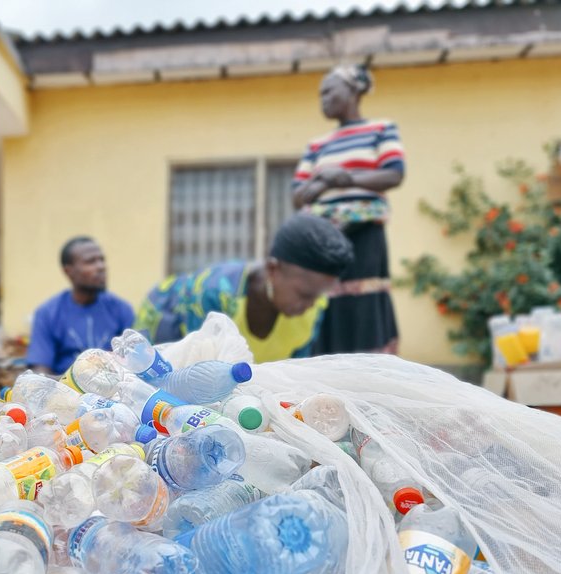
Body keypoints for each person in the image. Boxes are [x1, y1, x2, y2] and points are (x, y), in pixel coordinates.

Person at [291, 64, 405, 355]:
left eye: (329, 91)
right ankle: (329, 369)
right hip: (323, 238)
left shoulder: (381, 130)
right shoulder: (317, 145)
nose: (323, 100)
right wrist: (321, 183)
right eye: (320, 95)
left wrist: (346, 178)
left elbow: (394, 174)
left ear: (353, 90)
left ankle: (370, 370)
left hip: (364, 234)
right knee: (325, 300)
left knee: (364, 298)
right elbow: (297, 196)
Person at [133, 213, 354, 362]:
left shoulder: (314, 307)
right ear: (273, 269)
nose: (311, 305)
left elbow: (292, 375)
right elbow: (197, 373)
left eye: (318, 296)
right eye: (304, 295)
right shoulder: (215, 296)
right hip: (167, 329)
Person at [26, 236, 135, 376]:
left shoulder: (121, 309)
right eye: (90, 261)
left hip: (116, 387)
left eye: (101, 260)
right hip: (62, 387)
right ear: (68, 271)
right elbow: (40, 370)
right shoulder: (48, 313)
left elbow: (135, 363)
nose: (101, 266)